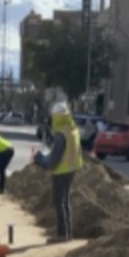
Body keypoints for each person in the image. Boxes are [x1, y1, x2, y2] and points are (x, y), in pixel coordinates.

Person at [32, 101, 83, 242]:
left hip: (61, 172)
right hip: (72, 169)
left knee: (59, 202)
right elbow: (64, 150)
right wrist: (49, 138)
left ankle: (61, 235)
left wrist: (39, 159)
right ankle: (68, 233)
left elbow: (53, 161)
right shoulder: (73, 130)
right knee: (65, 201)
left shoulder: (61, 135)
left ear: (56, 117)